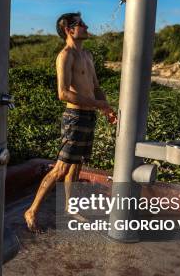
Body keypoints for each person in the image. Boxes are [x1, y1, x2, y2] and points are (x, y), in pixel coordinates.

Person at [24, 12, 117, 232]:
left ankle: (69, 206)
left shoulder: (87, 55)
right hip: (74, 117)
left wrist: (106, 109)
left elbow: (95, 87)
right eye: (81, 24)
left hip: (89, 116)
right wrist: (96, 104)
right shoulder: (65, 56)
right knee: (61, 168)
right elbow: (63, 93)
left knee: (77, 164)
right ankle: (32, 210)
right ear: (68, 29)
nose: (86, 26)